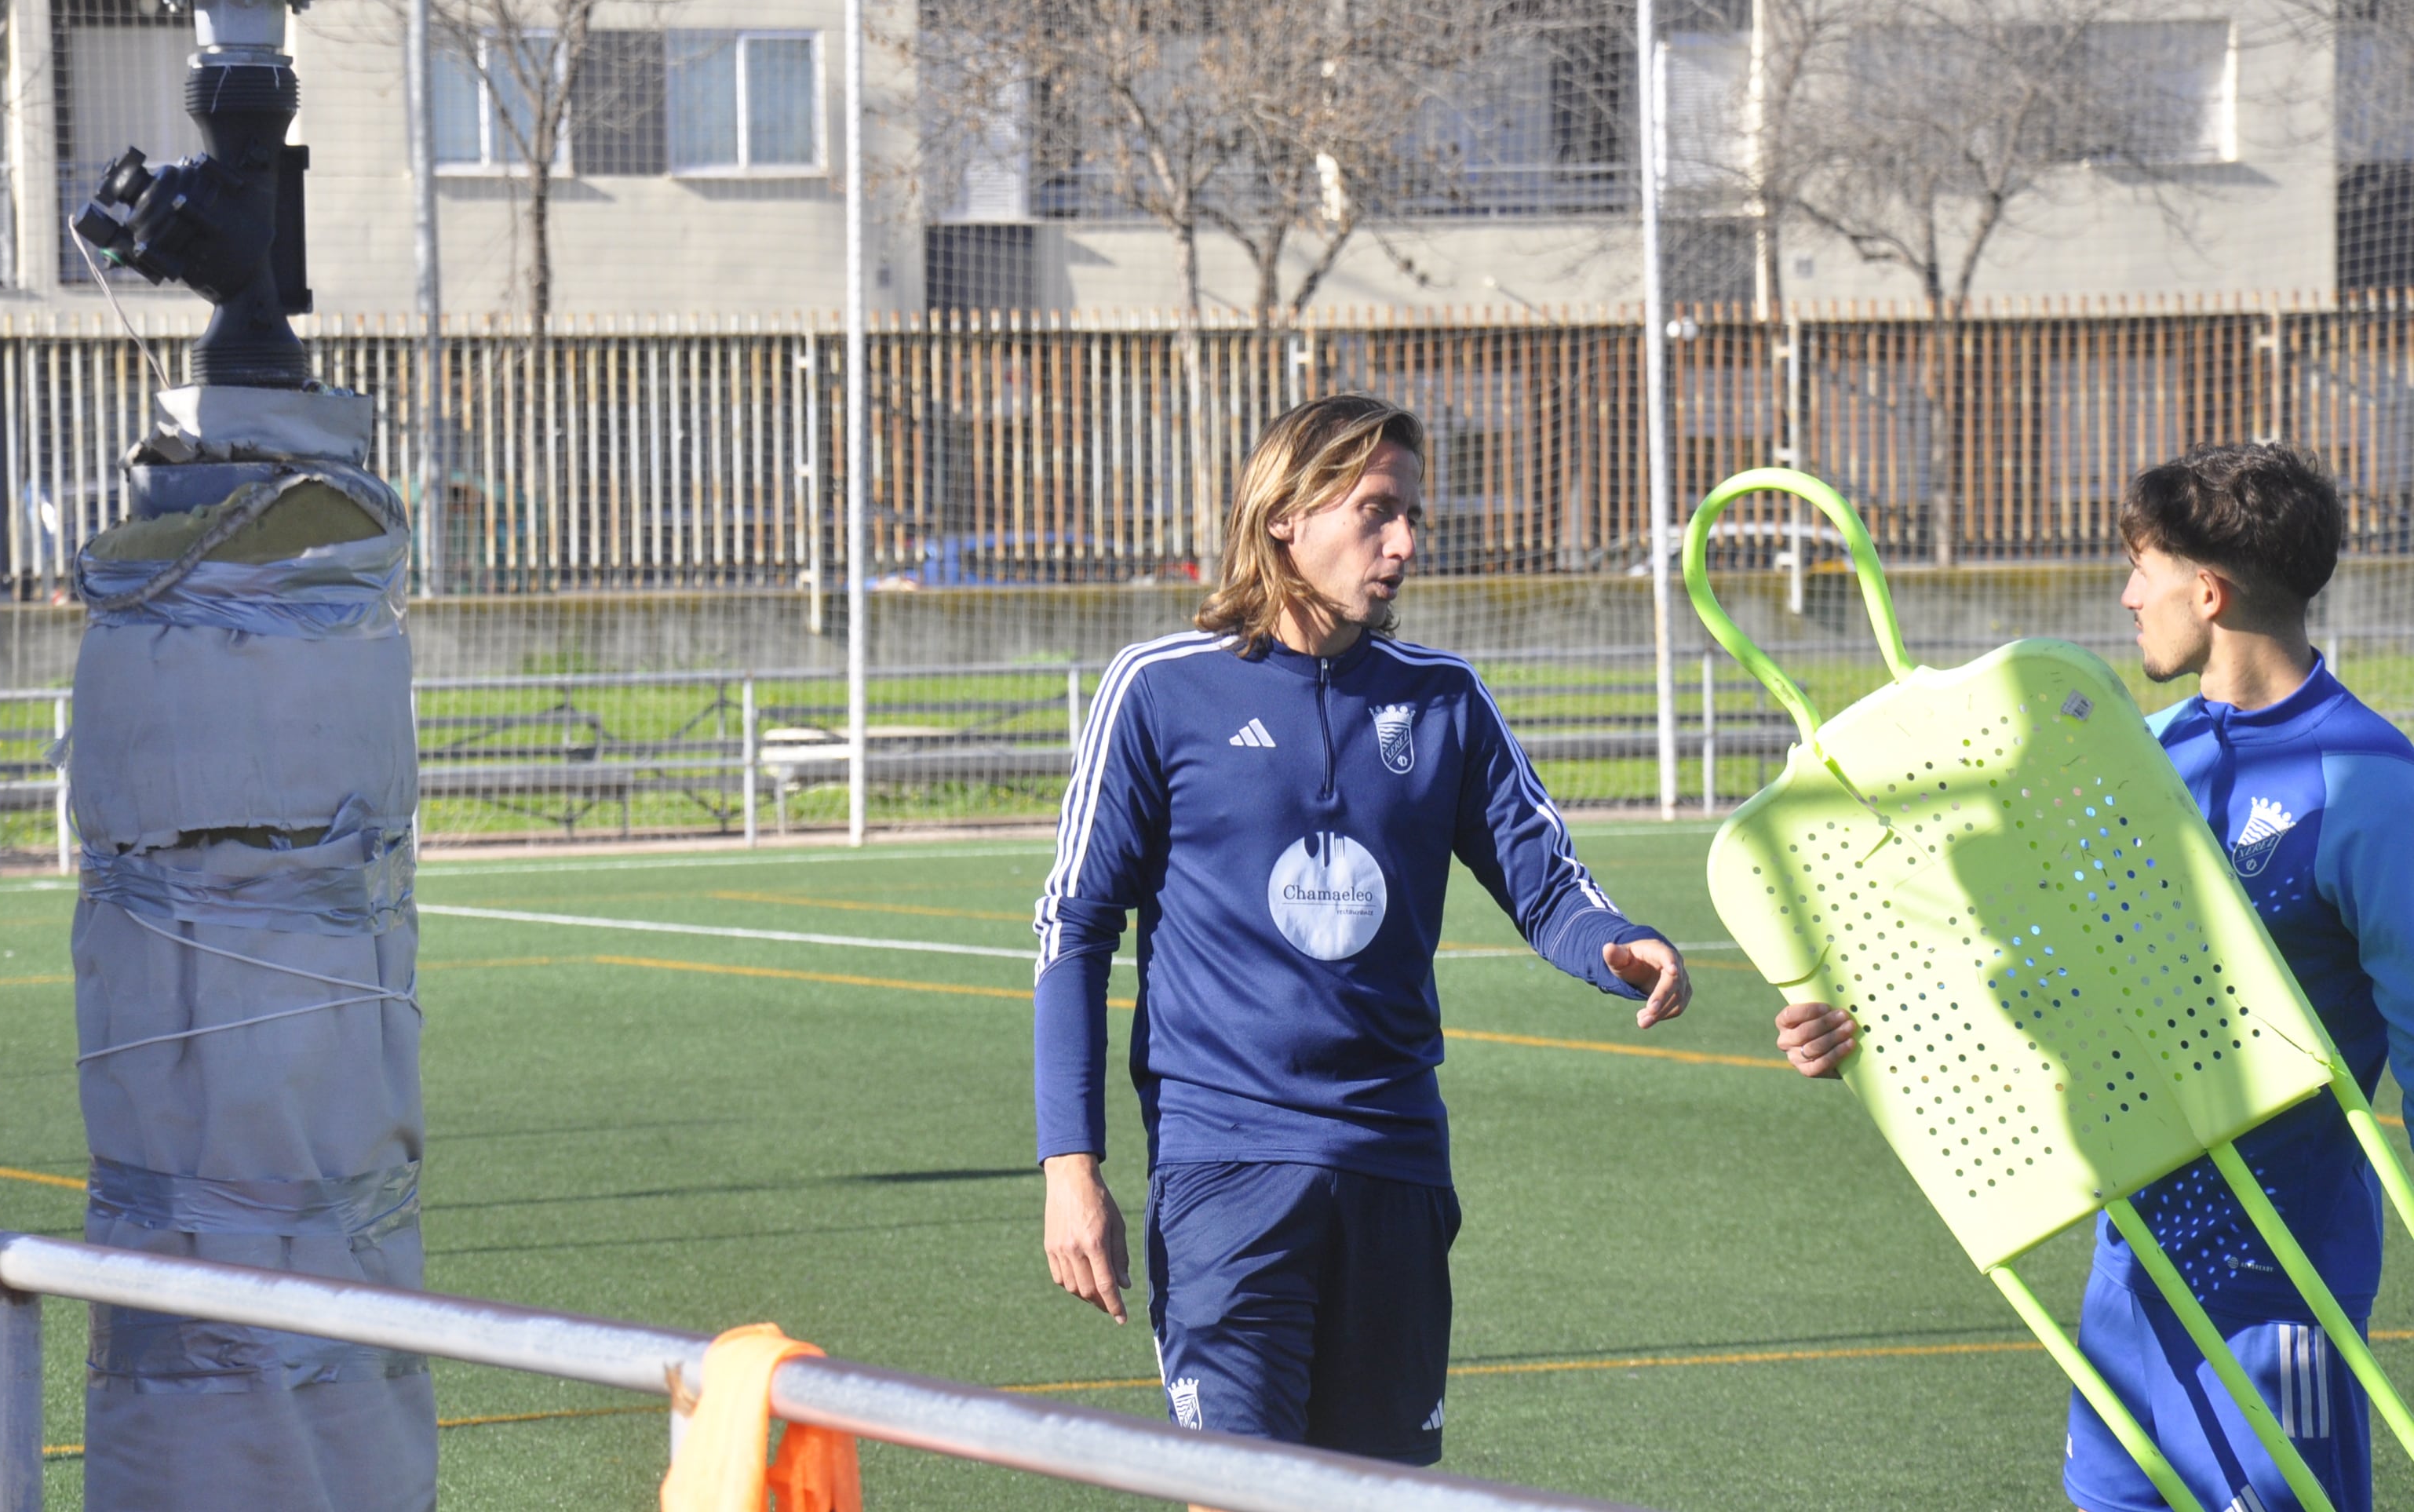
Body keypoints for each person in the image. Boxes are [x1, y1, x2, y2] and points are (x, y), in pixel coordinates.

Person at [1032, 394, 1689, 1470]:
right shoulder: (1159, 689)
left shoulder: (1444, 701)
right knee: (1240, 1494)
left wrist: (1619, 946)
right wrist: (1073, 1167)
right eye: (1377, 510)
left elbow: (1549, 887)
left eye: (1413, 515)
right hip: (1226, 1168)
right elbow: (1074, 926)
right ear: (1286, 512)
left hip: (1395, 1168)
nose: (1406, 544)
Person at [1776, 442, 2414, 1512]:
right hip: (2134, 1260)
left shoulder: (2371, 784)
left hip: (2282, 1273)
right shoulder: (2127, 759)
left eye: (2142, 568)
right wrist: (1856, 1024)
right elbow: (2028, 979)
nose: (2126, 596)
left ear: (2206, 593)